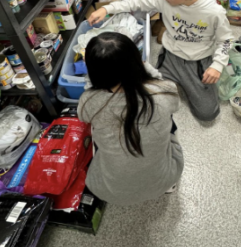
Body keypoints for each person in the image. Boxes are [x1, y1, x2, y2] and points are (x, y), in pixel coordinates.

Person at [89, 0, 232, 121]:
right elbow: (135, 2)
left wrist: (217, 65)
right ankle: (175, 81)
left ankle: (187, 84)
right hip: (170, 57)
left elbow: (226, 40)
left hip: (197, 61)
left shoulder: (214, 12)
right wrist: (106, 8)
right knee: (150, 101)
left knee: (207, 114)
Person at [77, 31, 183, 204]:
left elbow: (84, 117)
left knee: (98, 131)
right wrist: (149, 70)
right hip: (163, 180)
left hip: (108, 190)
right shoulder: (165, 90)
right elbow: (174, 106)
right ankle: (169, 187)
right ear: (136, 61)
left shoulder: (89, 100)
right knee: (169, 121)